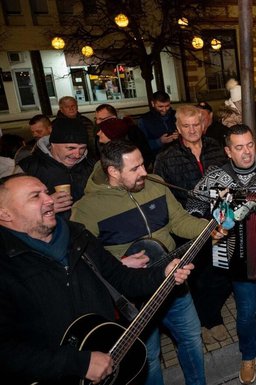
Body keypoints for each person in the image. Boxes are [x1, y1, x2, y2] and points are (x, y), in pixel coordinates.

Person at [0, 174, 195, 384]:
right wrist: (79, 363)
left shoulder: (77, 236)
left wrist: (162, 274)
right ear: (5, 213)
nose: (49, 199)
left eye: (46, 192)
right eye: (34, 197)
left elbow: (121, 278)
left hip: (109, 362)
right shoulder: (6, 266)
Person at [71, 141, 217, 385]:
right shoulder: (86, 209)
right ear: (113, 172)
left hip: (173, 279)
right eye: (135, 168)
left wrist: (209, 229)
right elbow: (84, 260)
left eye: (143, 164)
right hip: (134, 297)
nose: (144, 173)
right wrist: (118, 262)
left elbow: (179, 221)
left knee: (191, 338)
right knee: (148, 355)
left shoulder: (154, 185)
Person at [187, 124, 256, 384]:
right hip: (235, 256)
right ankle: (248, 356)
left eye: (250, 145)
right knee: (246, 310)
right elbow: (193, 204)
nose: (247, 152)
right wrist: (208, 227)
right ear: (228, 151)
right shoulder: (217, 177)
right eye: (239, 147)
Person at [153, 106, 229, 344]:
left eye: (196, 124)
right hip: (186, 225)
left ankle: (212, 315)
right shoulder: (165, 157)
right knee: (197, 277)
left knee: (221, 273)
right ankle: (207, 321)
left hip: (219, 221)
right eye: (186, 126)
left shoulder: (216, 148)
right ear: (177, 128)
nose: (192, 130)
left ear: (203, 124)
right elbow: (160, 194)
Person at [18, 118, 94, 219]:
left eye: (82, 148)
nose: (77, 155)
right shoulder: (27, 168)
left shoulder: (92, 165)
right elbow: (11, 208)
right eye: (71, 148)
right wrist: (44, 205)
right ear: (53, 144)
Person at [138, 91, 178, 156]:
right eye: (160, 106)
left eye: (167, 106)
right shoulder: (144, 120)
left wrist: (180, 135)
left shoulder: (177, 115)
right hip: (158, 157)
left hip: (179, 154)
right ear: (153, 104)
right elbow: (142, 146)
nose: (164, 110)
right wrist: (159, 141)